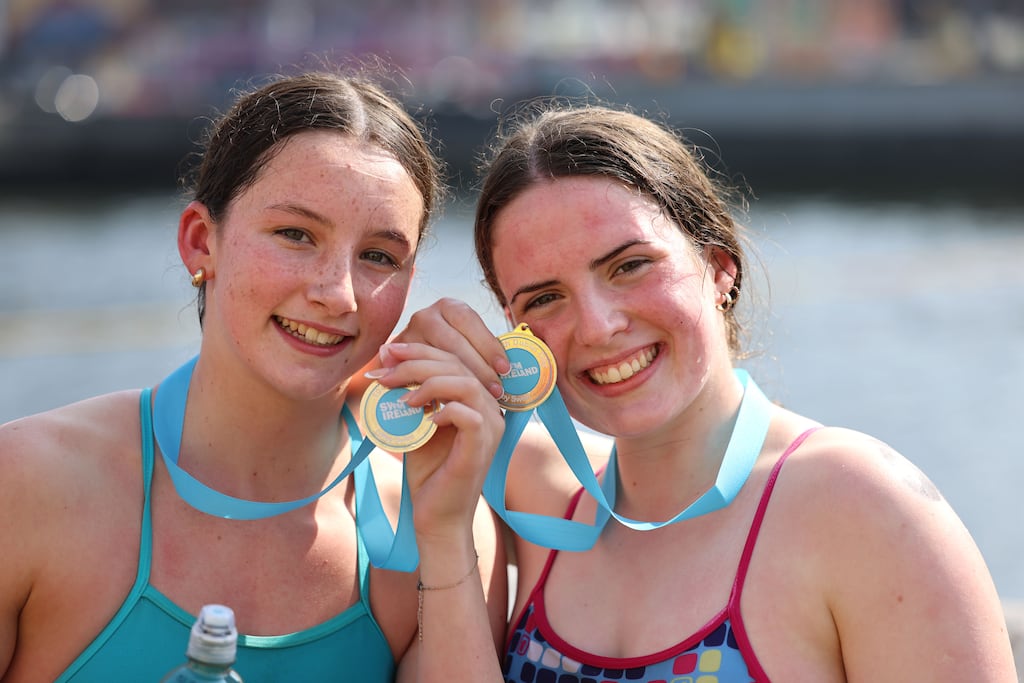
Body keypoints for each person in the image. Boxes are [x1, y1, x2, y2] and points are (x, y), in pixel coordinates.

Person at [381, 102, 1019, 681]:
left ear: (718, 267)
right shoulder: (537, 501)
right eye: (545, 298)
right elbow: (342, 408)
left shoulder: (862, 504)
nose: (597, 327)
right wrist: (414, 388)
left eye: (630, 266)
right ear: (517, 335)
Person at [0, 69, 508, 682]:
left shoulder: (436, 526)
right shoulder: (28, 485)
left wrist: (448, 534)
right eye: (295, 235)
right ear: (200, 242)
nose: (338, 293)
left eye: (378, 256)